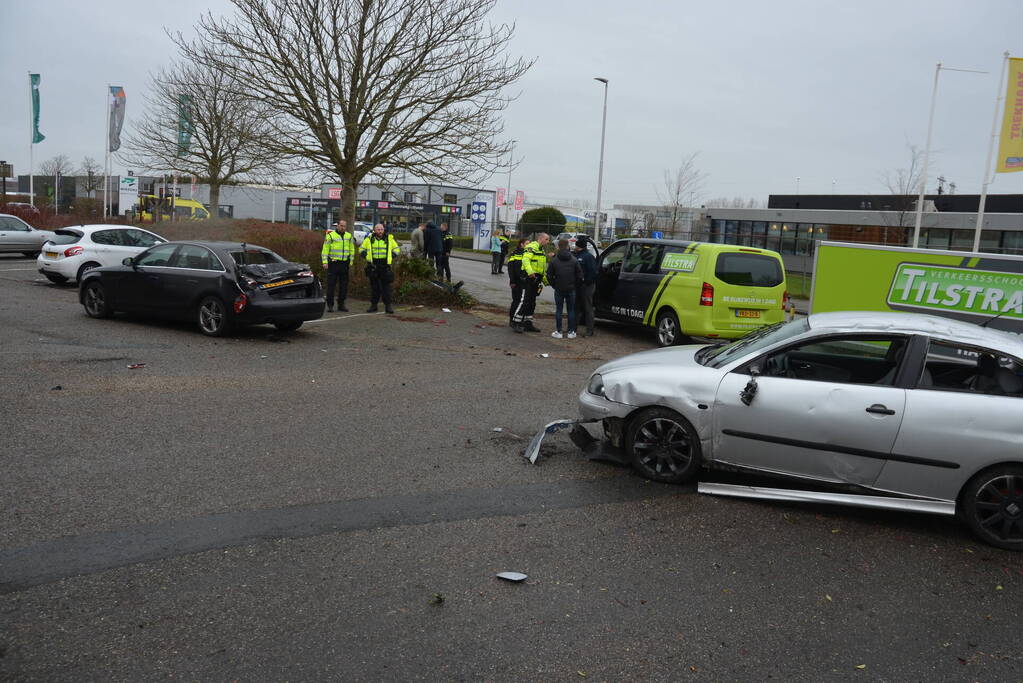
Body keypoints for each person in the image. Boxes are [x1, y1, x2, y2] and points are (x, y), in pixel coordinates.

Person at [511, 232, 550, 333]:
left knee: (532, 302)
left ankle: (528, 323)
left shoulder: (541, 250)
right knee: (525, 300)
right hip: (529, 278)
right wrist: (530, 272)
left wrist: (545, 281)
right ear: (541, 239)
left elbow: (542, 268)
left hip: (536, 279)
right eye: (547, 239)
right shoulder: (532, 246)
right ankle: (516, 322)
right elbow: (525, 259)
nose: (548, 242)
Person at [359, 223, 401, 314]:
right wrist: (366, 256)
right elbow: (361, 249)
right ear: (374, 230)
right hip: (373, 266)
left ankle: (388, 306)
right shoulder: (369, 239)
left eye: (381, 229)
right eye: (378, 229)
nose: (380, 231)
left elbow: (397, 249)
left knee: (386, 287)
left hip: (385, 265)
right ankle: (374, 306)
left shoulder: (389, 239)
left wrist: (392, 255)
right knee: (374, 287)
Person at [546, 238, 583, 339]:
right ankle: (571, 332)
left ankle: (559, 331)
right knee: (571, 310)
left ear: (558, 247)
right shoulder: (574, 260)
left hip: (559, 288)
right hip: (571, 288)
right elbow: (580, 275)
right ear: (568, 246)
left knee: (559, 310)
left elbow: (549, 275)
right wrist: (574, 285)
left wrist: (554, 285)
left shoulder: (554, 261)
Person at [320, 219, 355, 312]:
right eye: (341, 225)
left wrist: (350, 261)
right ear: (337, 226)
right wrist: (324, 262)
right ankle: (330, 305)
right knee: (331, 285)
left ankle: (341, 304)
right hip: (333, 264)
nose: (343, 227)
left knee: (344, 285)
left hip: (344, 264)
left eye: (344, 226)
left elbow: (352, 249)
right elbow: (325, 249)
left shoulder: (349, 236)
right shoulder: (331, 236)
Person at [574, 236, 598, 336]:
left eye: (576, 245)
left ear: (579, 247)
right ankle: (573, 328)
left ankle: (590, 330)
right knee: (576, 308)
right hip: (578, 286)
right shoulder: (576, 255)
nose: (574, 247)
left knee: (587, 308)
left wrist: (586, 282)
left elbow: (593, 272)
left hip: (587, 286)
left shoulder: (588, 257)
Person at [506, 238, 526, 326]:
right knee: (516, 301)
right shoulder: (514, 254)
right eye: (527, 243)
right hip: (516, 282)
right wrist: (512, 281)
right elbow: (510, 269)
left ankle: (519, 319)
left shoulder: (528, 254)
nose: (529, 245)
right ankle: (512, 320)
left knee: (523, 301)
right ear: (521, 244)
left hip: (524, 282)